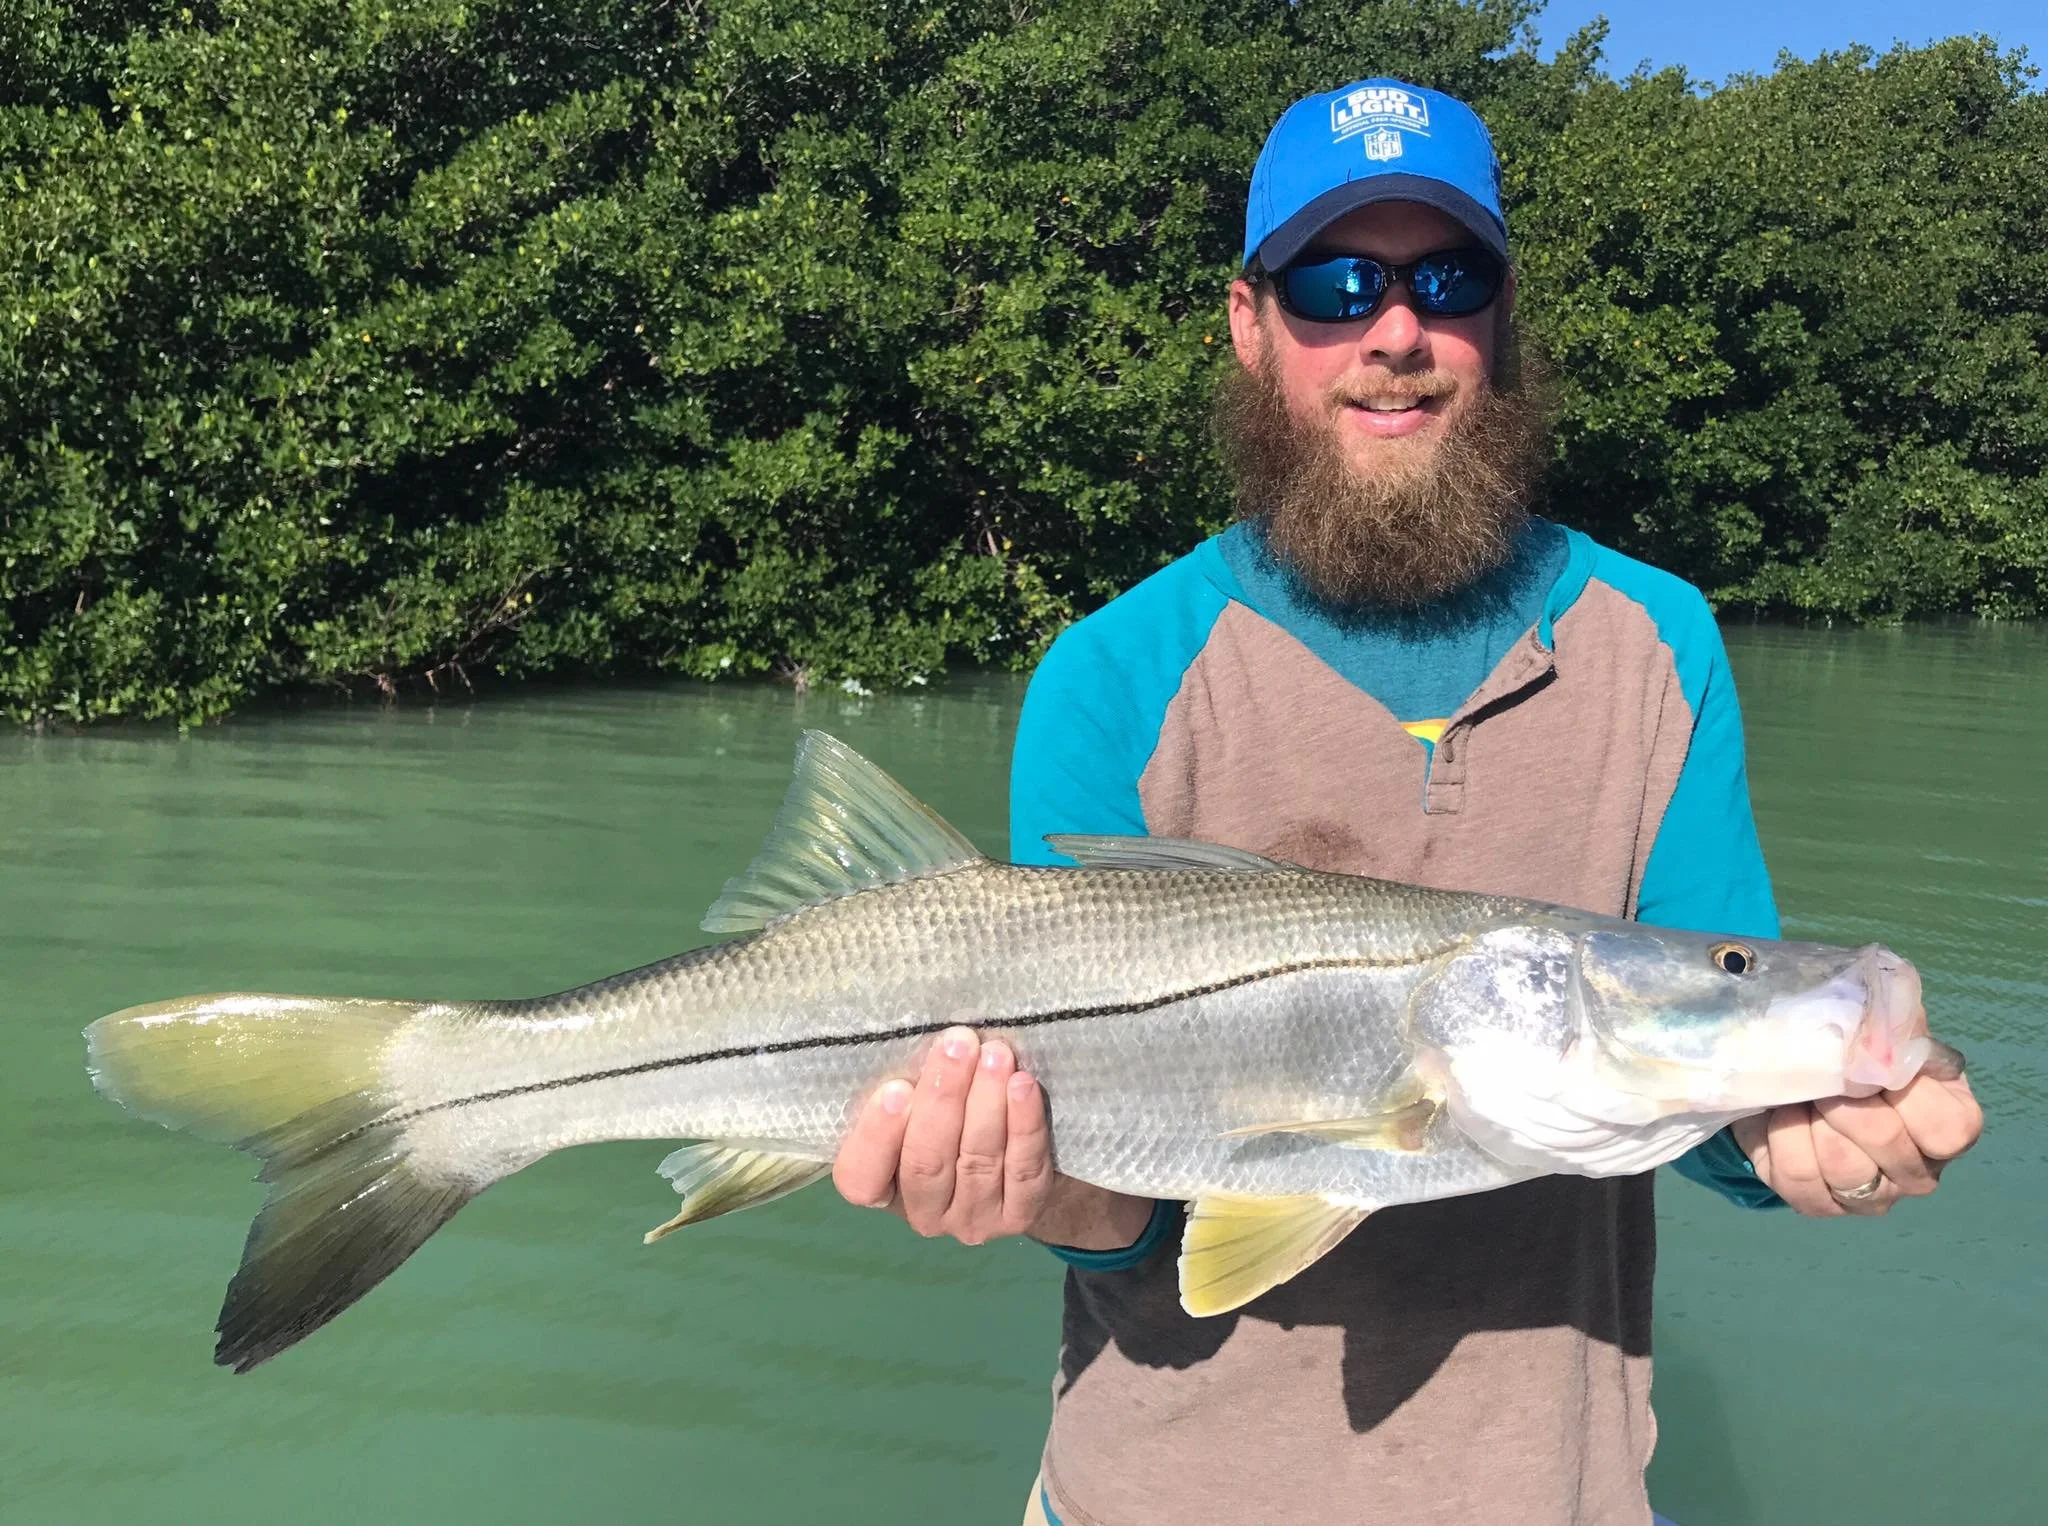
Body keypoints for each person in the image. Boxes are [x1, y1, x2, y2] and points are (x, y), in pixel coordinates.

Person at [830, 78, 1984, 1525]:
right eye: (1333, 282)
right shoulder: (1108, 675)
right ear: (1250, 328)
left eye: (1448, 279)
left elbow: (1696, 1072)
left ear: (1500, 324)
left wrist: (1801, 1138)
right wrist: (1027, 1186)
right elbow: (1121, 1219)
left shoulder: (1661, 643)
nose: (1394, 332)